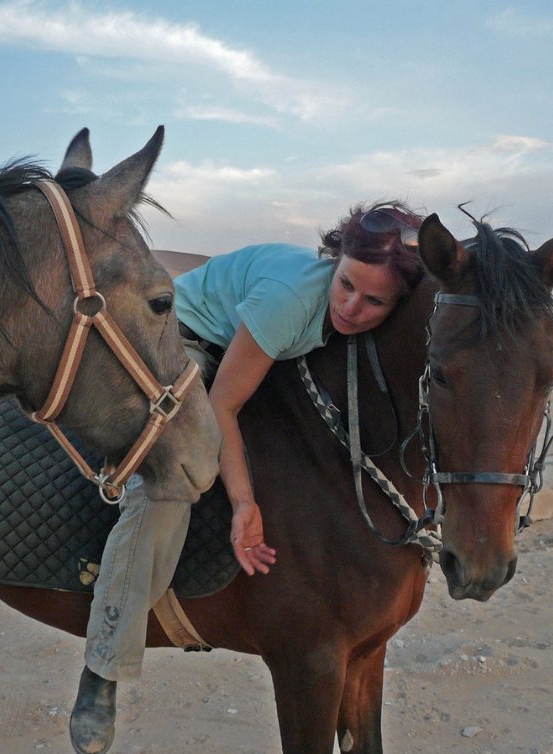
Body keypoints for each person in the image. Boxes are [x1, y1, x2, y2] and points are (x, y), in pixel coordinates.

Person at [69, 202, 426, 754]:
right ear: (337, 262)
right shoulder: (290, 301)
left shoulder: (339, 311)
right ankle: (104, 663)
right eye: (348, 284)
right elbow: (224, 405)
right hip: (180, 342)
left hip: (248, 345)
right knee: (169, 479)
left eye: (374, 300)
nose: (352, 308)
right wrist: (243, 503)